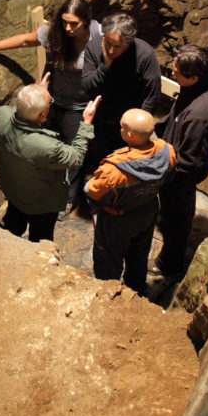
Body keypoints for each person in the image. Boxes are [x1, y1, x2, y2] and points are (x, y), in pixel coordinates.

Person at [0, 0, 102, 211]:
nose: (68, 28)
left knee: (74, 153)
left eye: (74, 23)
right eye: (64, 22)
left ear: (86, 21)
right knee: (45, 144)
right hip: (51, 100)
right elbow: (28, 40)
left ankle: (68, 199)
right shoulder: (56, 34)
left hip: (79, 106)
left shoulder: (98, 35)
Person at [150, 44, 208, 284]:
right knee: (176, 212)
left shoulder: (199, 117)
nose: (172, 73)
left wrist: (161, 170)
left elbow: (188, 163)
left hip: (180, 175)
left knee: (176, 215)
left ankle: (170, 263)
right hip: (181, 152)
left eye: (177, 72)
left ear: (194, 77)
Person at [0, 83, 100, 242]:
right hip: (40, 204)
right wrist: (86, 122)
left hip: (14, 191)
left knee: (13, 226)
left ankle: (9, 245)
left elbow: (18, 112)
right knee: (40, 238)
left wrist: (35, 94)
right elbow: (76, 157)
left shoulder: (0, 115)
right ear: (43, 114)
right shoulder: (46, 147)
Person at [85, 109, 175, 296]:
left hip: (117, 221)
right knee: (139, 256)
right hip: (147, 210)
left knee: (107, 261)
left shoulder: (114, 171)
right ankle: (136, 290)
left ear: (130, 135)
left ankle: (107, 295)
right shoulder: (168, 152)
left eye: (122, 127)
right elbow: (169, 178)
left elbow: (94, 196)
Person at [81, 12, 161, 171]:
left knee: (124, 167)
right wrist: (105, 65)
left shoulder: (144, 54)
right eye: (108, 43)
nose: (110, 50)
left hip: (129, 126)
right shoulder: (94, 47)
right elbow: (87, 86)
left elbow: (152, 95)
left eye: (117, 46)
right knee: (99, 161)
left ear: (129, 43)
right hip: (100, 120)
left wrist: (137, 128)